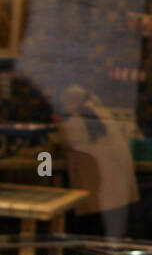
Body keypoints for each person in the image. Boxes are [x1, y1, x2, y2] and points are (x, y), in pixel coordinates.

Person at [58, 86, 139, 239]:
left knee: (94, 240)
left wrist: (43, 171)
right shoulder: (104, 114)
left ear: (72, 102)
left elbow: (53, 145)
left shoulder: (79, 121)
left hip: (102, 194)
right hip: (119, 192)